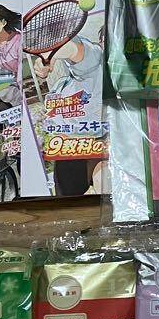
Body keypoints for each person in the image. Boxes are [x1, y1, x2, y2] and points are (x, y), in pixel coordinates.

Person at [30, 29, 105, 196]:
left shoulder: (96, 59)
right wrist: (50, 57)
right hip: (67, 150)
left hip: (92, 147)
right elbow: (72, 47)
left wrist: (51, 55)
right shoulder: (64, 83)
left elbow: (76, 50)